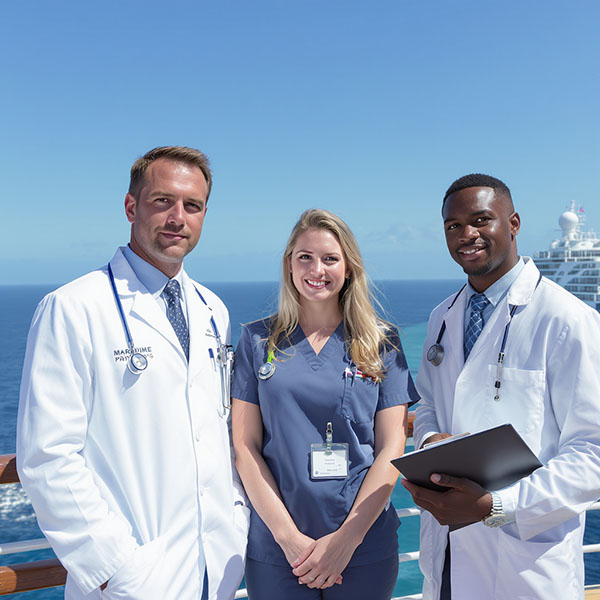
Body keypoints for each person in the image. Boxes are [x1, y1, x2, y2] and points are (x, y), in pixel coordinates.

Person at [17, 146, 249, 600]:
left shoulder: (211, 310)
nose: (177, 217)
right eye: (162, 201)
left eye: (192, 205)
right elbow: (47, 454)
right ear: (131, 207)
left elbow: (221, 431)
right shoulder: (72, 308)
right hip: (131, 580)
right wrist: (115, 569)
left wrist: (236, 521)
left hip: (216, 567)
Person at [403, 173, 600, 599]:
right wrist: (431, 438)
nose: (466, 235)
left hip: (525, 562)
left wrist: (495, 507)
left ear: (513, 224)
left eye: (480, 220)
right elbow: (429, 404)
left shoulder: (567, 321)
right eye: (453, 226)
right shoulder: (442, 317)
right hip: (450, 554)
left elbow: (592, 453)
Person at [231, 208, 418, 600]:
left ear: (348, 268)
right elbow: (244, 447)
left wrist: (346, 540)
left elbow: (392, 449)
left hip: (362, 543)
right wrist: (288, 539)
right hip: (279, 548)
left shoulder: (381, 342)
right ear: (289, 264)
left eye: (330, 258)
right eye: (305, 257)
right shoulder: (255, 342)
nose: (317, 269)